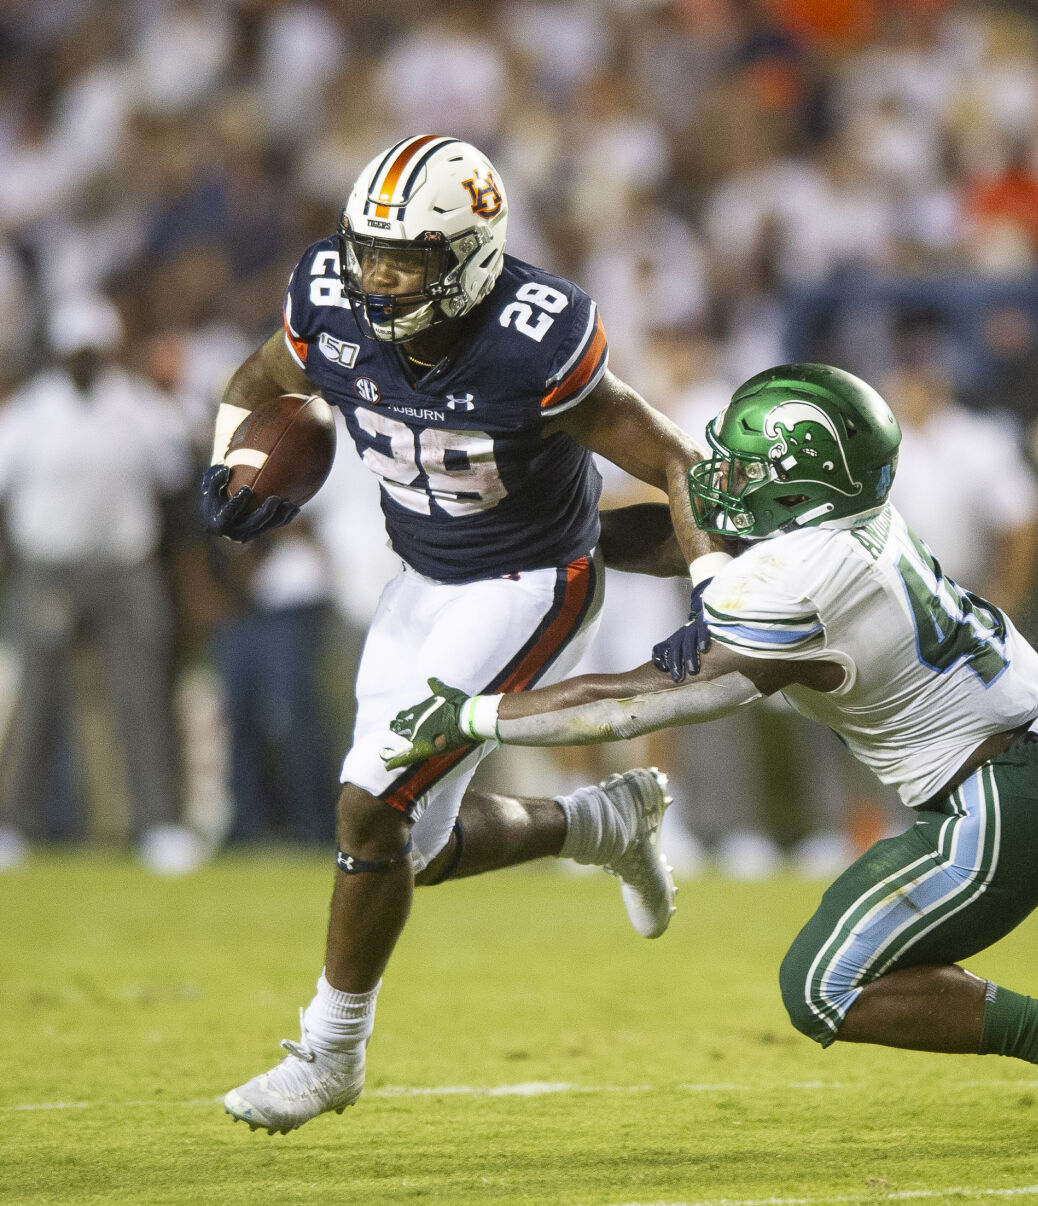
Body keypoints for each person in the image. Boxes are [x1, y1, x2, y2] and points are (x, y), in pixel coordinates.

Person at [384, 364, 1038, 1142]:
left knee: (823, 983)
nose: (715, 474)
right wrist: (563, 533)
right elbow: (682, 527)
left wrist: (475, 715)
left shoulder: (798, 581)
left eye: (743, 461)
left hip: (1001, 797)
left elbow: (633, 701)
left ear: (796, 484)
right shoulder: (849, 524)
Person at [204, 136, 725, 1134]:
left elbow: (677, 460)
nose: (377, 276)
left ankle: (328, 1051)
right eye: (368, 251)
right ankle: (599, 824)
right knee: (414, 847)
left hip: (533, 581)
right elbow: (257, 377)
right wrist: (229, 463)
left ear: (473, 257)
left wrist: (714, 583)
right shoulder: (328, 297)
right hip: (425, 580)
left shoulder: (532, 337)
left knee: (369, 805)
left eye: (406, 259)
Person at [0, 294, 205, 874]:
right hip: (48, 569)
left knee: (140, 698)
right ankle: (13, 824)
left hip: (125, 569)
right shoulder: (31, 412)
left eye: (91, 351)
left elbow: (177, 486)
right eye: (75, 352)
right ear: (60, 354)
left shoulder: (138, 409)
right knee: (37, 699)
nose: (83, 362)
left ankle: (160, 824)